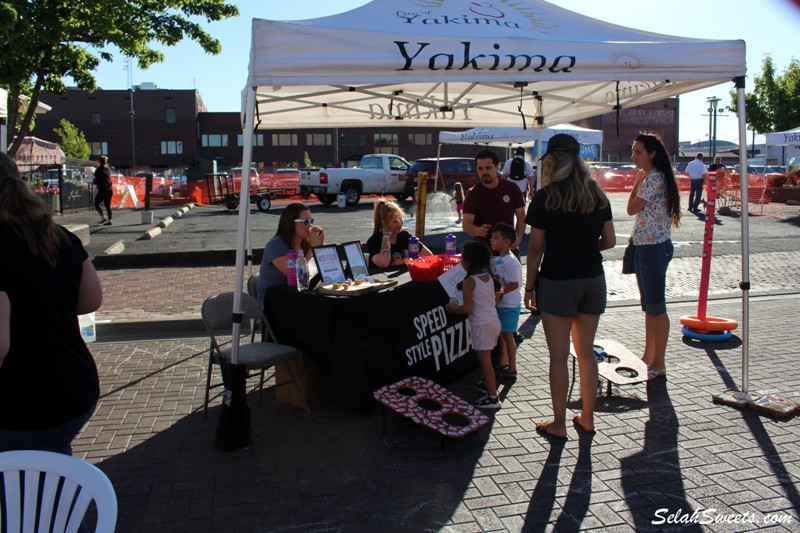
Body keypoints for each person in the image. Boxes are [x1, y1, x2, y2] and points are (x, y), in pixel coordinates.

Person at [0, 152, 104, 454]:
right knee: (48, 478)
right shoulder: (57, 235)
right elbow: (91, 299)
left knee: (28, 492)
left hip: (25, 402)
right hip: (75, 384)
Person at [523, 133, 615, 439]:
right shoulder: (597, 194)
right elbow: (611, 241)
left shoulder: (546, 197)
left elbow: (535, 248)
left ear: (551, 161)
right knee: (586, 353)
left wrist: (529, 286)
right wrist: (585, 248)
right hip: (593, 278)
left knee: (559, 357)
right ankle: (587, 417)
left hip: (558, 281)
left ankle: (560, 423)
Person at [627, 133, 681, 382]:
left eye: (638, 152)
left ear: (652, 154)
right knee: (650, 307)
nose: (634, 156)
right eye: (633, 151)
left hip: (652, 248)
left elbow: (631, 209)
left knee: (656, 306)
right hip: (648, 247)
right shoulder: (656, 177)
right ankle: (650, 356)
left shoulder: (652, 178)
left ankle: (658, 362)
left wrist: (637, 182)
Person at [446, 241, 502, 409]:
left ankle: (493, 398)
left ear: (469, 261)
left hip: (481, 326)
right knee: (488, 360)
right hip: (493, 322)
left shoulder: (469, 282)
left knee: (485, 362)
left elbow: (468, 308)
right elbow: (496, 298)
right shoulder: (489, 278)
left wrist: (453, 308)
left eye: (462, 258)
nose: (460, 261)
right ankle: (489, 385)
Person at [256, 202, 325, 307]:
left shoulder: (305, 243)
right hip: (274, 303)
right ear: (291, 223)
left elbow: (322, 268)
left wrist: (320, 246)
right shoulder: (275, 245)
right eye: (305, 222)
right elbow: (300, 277)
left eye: (311, 221)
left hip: (295, 296)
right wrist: (313, 249)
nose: (310, 226)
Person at [462, 149, 526, 254]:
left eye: (488, 167)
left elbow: (521, 216)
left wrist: (518, 238)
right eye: (480, 168)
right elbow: (466, 224)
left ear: (497, 166)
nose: (484, 172)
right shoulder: (473, 193)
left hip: (508, 252)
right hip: (483, 254)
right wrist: (478, 230)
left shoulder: (511, 188)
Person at [490, 223, 522, 380]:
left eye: (496, 238)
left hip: (509, 305)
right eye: (492, 237)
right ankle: (504, 362)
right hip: (502, 304)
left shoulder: (509, 260)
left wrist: (499, 293)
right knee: (503, 335)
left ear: (507, 241)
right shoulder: (500, 259)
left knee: (509, 337)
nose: (491, 240)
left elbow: (514, 284)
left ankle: (513, 369)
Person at [366, 199, 431, 268]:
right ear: (384, 223)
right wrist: (386, 236)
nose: (400, 224)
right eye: (395, 222)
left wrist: (403, 261)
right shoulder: (374, 241)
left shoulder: (405, 237)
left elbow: (428, 255)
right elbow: (384, 263)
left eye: (401, 219)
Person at [93, 155, 113, 225]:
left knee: (96, 203)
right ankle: (109, 220)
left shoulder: (98, 170)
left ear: (99, 161)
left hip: (102, 189)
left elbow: (96, 180)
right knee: (107, 205)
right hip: (110, 189)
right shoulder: (107, 169)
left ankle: (103, 217)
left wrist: (93, 181)